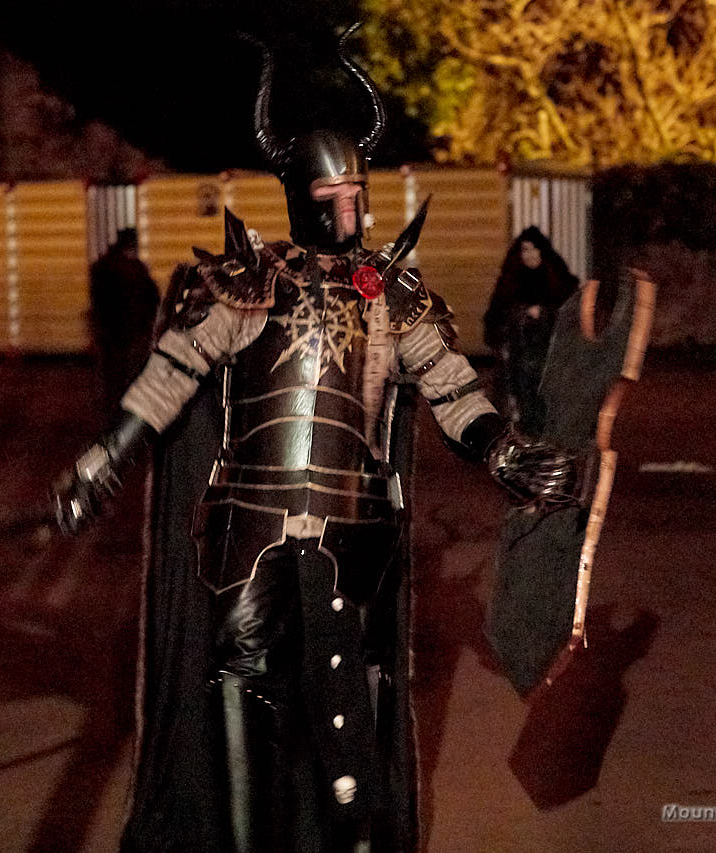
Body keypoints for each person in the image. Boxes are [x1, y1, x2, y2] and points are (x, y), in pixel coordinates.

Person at [49, 29, 592, 853]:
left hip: (353, 522)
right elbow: (170, 375)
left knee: (351, 689)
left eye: (357, 193)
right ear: (302, 198)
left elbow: (451, 388)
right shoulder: (248, 280)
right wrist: (102, 460)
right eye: (334, 195)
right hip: (247, 523)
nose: (351, 210)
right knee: (241, 678)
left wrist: (505, 452)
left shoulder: (389, 290)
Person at [483, 226, 578, 430]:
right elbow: (497, 314)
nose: (529, 255)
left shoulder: (555, 275)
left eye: (533, 249)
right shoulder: (512, 278)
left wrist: (544, 313)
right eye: (524, 250)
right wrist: (523, 314)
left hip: (549, 346)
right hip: (518, 347)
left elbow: (569, 309)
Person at [88, 228, 160, 429]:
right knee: (129, 376)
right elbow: (152, 298)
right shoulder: (136, 269)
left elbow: (97, 301)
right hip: (131, 333)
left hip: (109, 333)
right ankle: (125, 417)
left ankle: (110, 417)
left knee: (110, 377)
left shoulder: (101, 267)